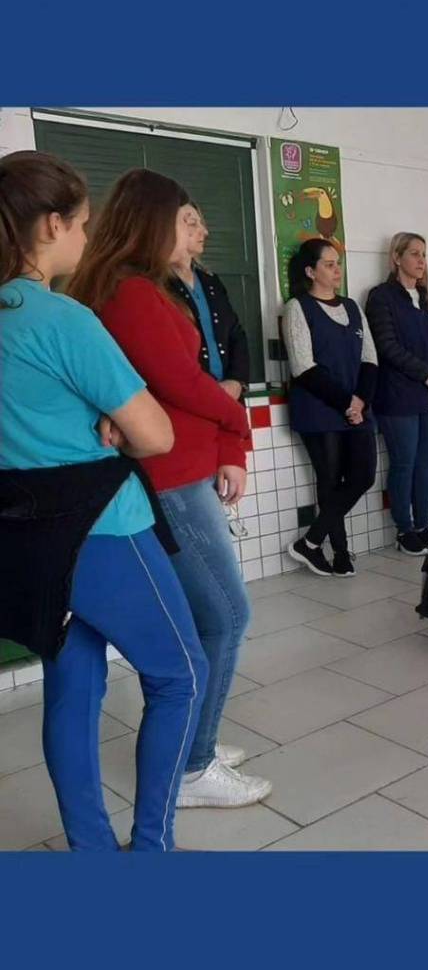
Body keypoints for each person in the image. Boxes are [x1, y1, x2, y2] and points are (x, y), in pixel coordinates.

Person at [0, 150, 208, 851]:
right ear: (50, 225)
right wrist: (117, 420)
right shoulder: (62, 320)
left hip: (28, 539)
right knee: (181, 673)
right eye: (83, 223)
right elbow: (156, 434)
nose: (88, 237)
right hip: (104, 531)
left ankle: (92, 855)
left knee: (74, 687)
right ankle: (151, 851)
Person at [68, 168, 271, 809]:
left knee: (206, 618)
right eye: (185, 220)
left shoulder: (152, 286)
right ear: (154, 222)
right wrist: (238, 422)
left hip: (183, 467)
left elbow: (187, 381)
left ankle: (190, 745)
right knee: (227, 615)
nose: (198, 232)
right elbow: (181, 382)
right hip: (170, 477)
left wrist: (229, 441)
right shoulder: (130, 292)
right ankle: (192, 767)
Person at [281, 239, 378, 577]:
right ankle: (339, 553)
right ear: (311, 271)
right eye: (329, 264)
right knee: (330, 481)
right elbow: (303, 367)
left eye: (338, 263)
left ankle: (310, 542)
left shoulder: (352, 307)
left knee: (363, 476)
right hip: (319, 409)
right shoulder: (297, 308)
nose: (338, 270)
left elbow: (370, 359)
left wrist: (360, 401)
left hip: (356, 408)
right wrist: (346, 402)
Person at [365, 232, 428, 556]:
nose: (421, 260)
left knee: (426, 463)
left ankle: (423, 525)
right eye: (414, 253)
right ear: (396, 257)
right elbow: (387, 347)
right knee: (404, 462)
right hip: (399, 396)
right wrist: (426, 375)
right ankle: (404, 528)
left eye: (423, 254)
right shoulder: (381, 297)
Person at [168, 201, 250, 400]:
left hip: (228, 399)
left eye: (201, 223)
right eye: (192, 224)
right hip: (188, 400)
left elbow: (235, 333)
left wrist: (236, 381)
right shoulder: (157, 285)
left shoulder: (209, 281)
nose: (204, 232)